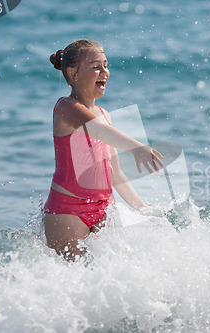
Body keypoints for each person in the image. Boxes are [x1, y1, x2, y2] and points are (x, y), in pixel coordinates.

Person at [43, 39, 164, 260]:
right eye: (95, 67)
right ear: (73, 74)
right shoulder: (66, 107)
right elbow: (97, 130)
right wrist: (137, 148)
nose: (104, 72)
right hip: (67, 212)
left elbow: (115, 174)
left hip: (103, 209)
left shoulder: (104, 114)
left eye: (106, 65)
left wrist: (142, 208)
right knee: (75, 281)